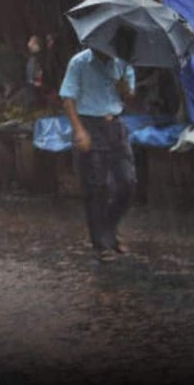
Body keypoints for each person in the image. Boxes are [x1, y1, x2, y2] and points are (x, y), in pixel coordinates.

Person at [59, 47, 136, 263]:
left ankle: (109, 228)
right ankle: (101, 243)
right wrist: (79, 130)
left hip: (115, 124)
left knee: (128, 182)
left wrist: (124, 89)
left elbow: (130, 97)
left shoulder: (123, 62)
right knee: (96, 186)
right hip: (89, 124)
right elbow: (68, 99)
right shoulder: (79, 62)